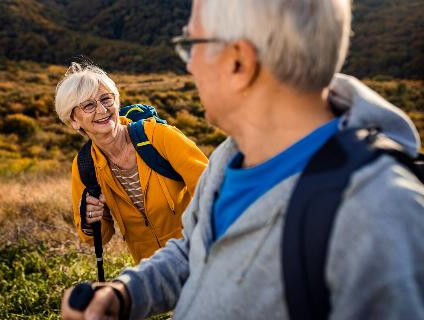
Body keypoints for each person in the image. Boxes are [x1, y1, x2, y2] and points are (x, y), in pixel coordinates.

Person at [61, 0, 424, 319]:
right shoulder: (229, 160)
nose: (189, 68)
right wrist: (126, 295)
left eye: (192, 46)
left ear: (240, 62)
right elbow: (198, 250)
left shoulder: (379, 214)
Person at [54, 62, 208, 263]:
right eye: (88, 105)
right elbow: (95, 238)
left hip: (201, 255)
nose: (102, 110)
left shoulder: (159, 137)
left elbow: (212, 190)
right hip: (153, 272)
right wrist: (91, 219)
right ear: (73, 120)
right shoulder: (84, 166)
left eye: (106, 99)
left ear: (116, 102)